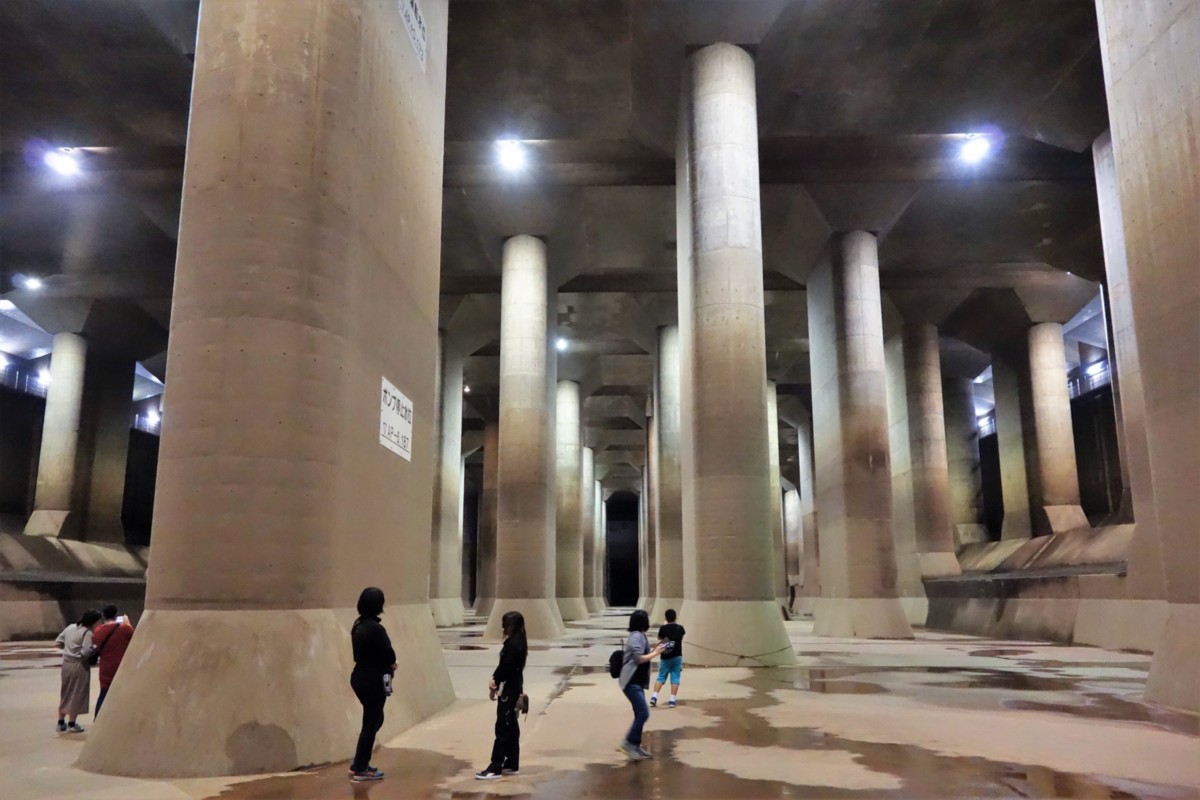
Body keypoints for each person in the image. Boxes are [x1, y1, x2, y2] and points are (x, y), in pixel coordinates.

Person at [348, 587, 396, 783]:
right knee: (371, 723)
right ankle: (360, 768)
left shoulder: (358, 625)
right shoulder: (376, 629)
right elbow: (389, 654)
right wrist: (393, 664)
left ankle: (359, 762)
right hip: (374, 680)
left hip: (360, 677)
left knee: (375, 719)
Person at [476, 610, 528, 780]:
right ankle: (512, 763)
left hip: (509, 691)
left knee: (503, 728)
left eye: (506, 625)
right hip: (515, 688)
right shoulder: (519, 642)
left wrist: (495, 679)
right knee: (511, 726)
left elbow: (505, 667)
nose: (504, 628)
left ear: (513, 626)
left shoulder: (513, 645)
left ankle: (495, 766)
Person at [617, 609, 667, 760]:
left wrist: (655, 649)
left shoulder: (640, 636)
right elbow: (639, 658)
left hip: (636, 681)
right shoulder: (636, 637)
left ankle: (636, 746)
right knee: (644, 713)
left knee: (639, 713)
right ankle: (628, 743)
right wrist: (656, 652)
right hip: (631, 682)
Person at [54, 609, 101, 733]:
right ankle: (72, 723)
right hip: (79, 666)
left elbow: (58, 642)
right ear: (93, 622)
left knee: (65, 692)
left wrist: (69, 650)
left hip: (66, 665)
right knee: (77, 693)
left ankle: (60, 722)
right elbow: (86, 652)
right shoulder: (88, 633)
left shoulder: (70, 628)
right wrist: (89, 651)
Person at [92, 604, 135, 717]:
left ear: (103, 616)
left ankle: (98, 719)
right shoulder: (125, 629)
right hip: (121, 666)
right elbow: (134, 637)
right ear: (116, 615)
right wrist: (127, 622)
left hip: (105, 667)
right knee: (123, 694)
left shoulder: (97, 630)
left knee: (103, 694)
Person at [650, 608, 685, 709]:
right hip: (677, 656)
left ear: (665, 618)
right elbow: (680, 637)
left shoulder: (663, 629)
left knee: (661, 677)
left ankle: (654, 697)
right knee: (675, 678)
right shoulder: (680, 628)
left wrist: (665, 626)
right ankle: (672, 700)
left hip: (665, 656)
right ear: (676, 617)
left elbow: (660, 638)